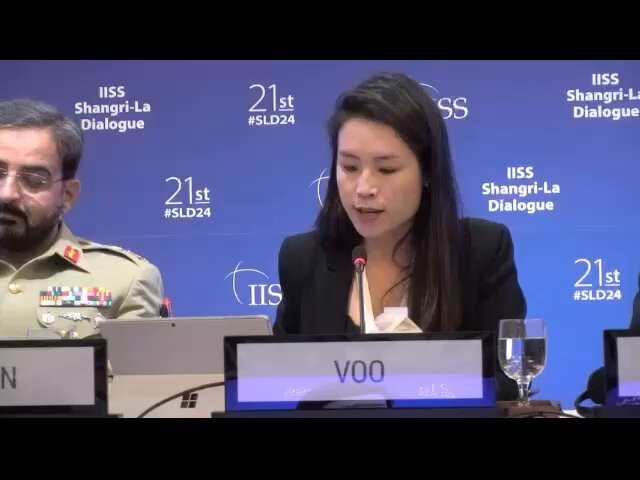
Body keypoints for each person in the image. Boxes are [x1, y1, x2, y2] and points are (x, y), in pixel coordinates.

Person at [273, 72, 527, 400]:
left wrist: (417, 375)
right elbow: (278, 384)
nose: (364, 188)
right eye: (349, 167)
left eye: (387, 169)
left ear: (428, 172)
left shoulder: (481, 250)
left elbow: (508, 380)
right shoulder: (302, 259)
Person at [0, 99, 163, 339]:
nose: (7, 193)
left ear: (67, 195)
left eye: (33, 180)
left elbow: (133, 364)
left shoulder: (126, 279)